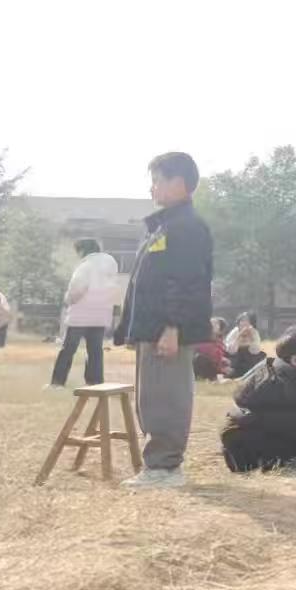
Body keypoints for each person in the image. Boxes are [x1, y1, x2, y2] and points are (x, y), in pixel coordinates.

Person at [115, 151, 214, 489]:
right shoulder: (163, 226)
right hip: (151, 327)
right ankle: (157, 465)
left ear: (179, 183)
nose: (152, 188)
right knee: (151, 397)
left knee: (166, 397)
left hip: (167, 329)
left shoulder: (188, 227)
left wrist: (173, 327)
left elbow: (187, 281)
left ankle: (166, 468)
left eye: (157, 180)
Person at [220, 326, 296, 472]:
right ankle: (275, 460)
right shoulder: (288, 386)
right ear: (295, 360)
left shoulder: (271, 369)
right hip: (252, 453)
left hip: (238, 447)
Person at [48, 238, 119, 389]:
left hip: (81, 315)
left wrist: (68, 299)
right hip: (101, 314)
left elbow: (76, 290)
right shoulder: (111, 266)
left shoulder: (85, 266)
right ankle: (95, 382)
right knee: (95, 350)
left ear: (83, 250)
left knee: (68, 349)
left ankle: (57, 382)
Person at [224, 311, 266, 378]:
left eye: (247, 321)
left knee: (261, 355)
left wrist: (251, 338)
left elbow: (255, 351)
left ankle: (252, 373)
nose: (244, 323)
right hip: (236, 358)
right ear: (239, 323)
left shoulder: (254, 332)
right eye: (242, 321)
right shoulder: (234, 332)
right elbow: (230, 350)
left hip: (249, 358)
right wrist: (239, 336)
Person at [193, 317, 229, 382]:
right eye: (211, 322)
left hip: (213, 367)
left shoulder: (219, 342)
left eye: (215, 323)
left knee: (200, 358)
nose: (212, 324)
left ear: (220, 330)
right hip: (200, 364)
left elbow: (216, 356)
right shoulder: (201, 337)